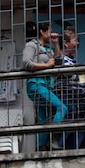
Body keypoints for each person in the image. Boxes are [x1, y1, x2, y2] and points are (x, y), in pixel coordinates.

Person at [22, 22, 66, 151]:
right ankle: (54, 139)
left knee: (43, 118)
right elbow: (26, 63)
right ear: (42, 31)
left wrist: (56, 43)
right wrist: (46, 66)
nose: (51, 33)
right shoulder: (31, 45)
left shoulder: (48, 49)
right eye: (49, 31)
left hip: (46, 86)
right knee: (62, 108)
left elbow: (58, 61)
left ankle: (41, 147)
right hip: (36, 84)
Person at [54, 27, 85, 148]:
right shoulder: (61, 58)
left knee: (79, 126)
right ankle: (60, 148)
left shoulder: (71, 60)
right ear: (66, 43)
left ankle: (73, 151)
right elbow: (66, 74)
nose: (77, 43)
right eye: (75, 39)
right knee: (70, 121)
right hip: (66, 94)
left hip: (76, 96)